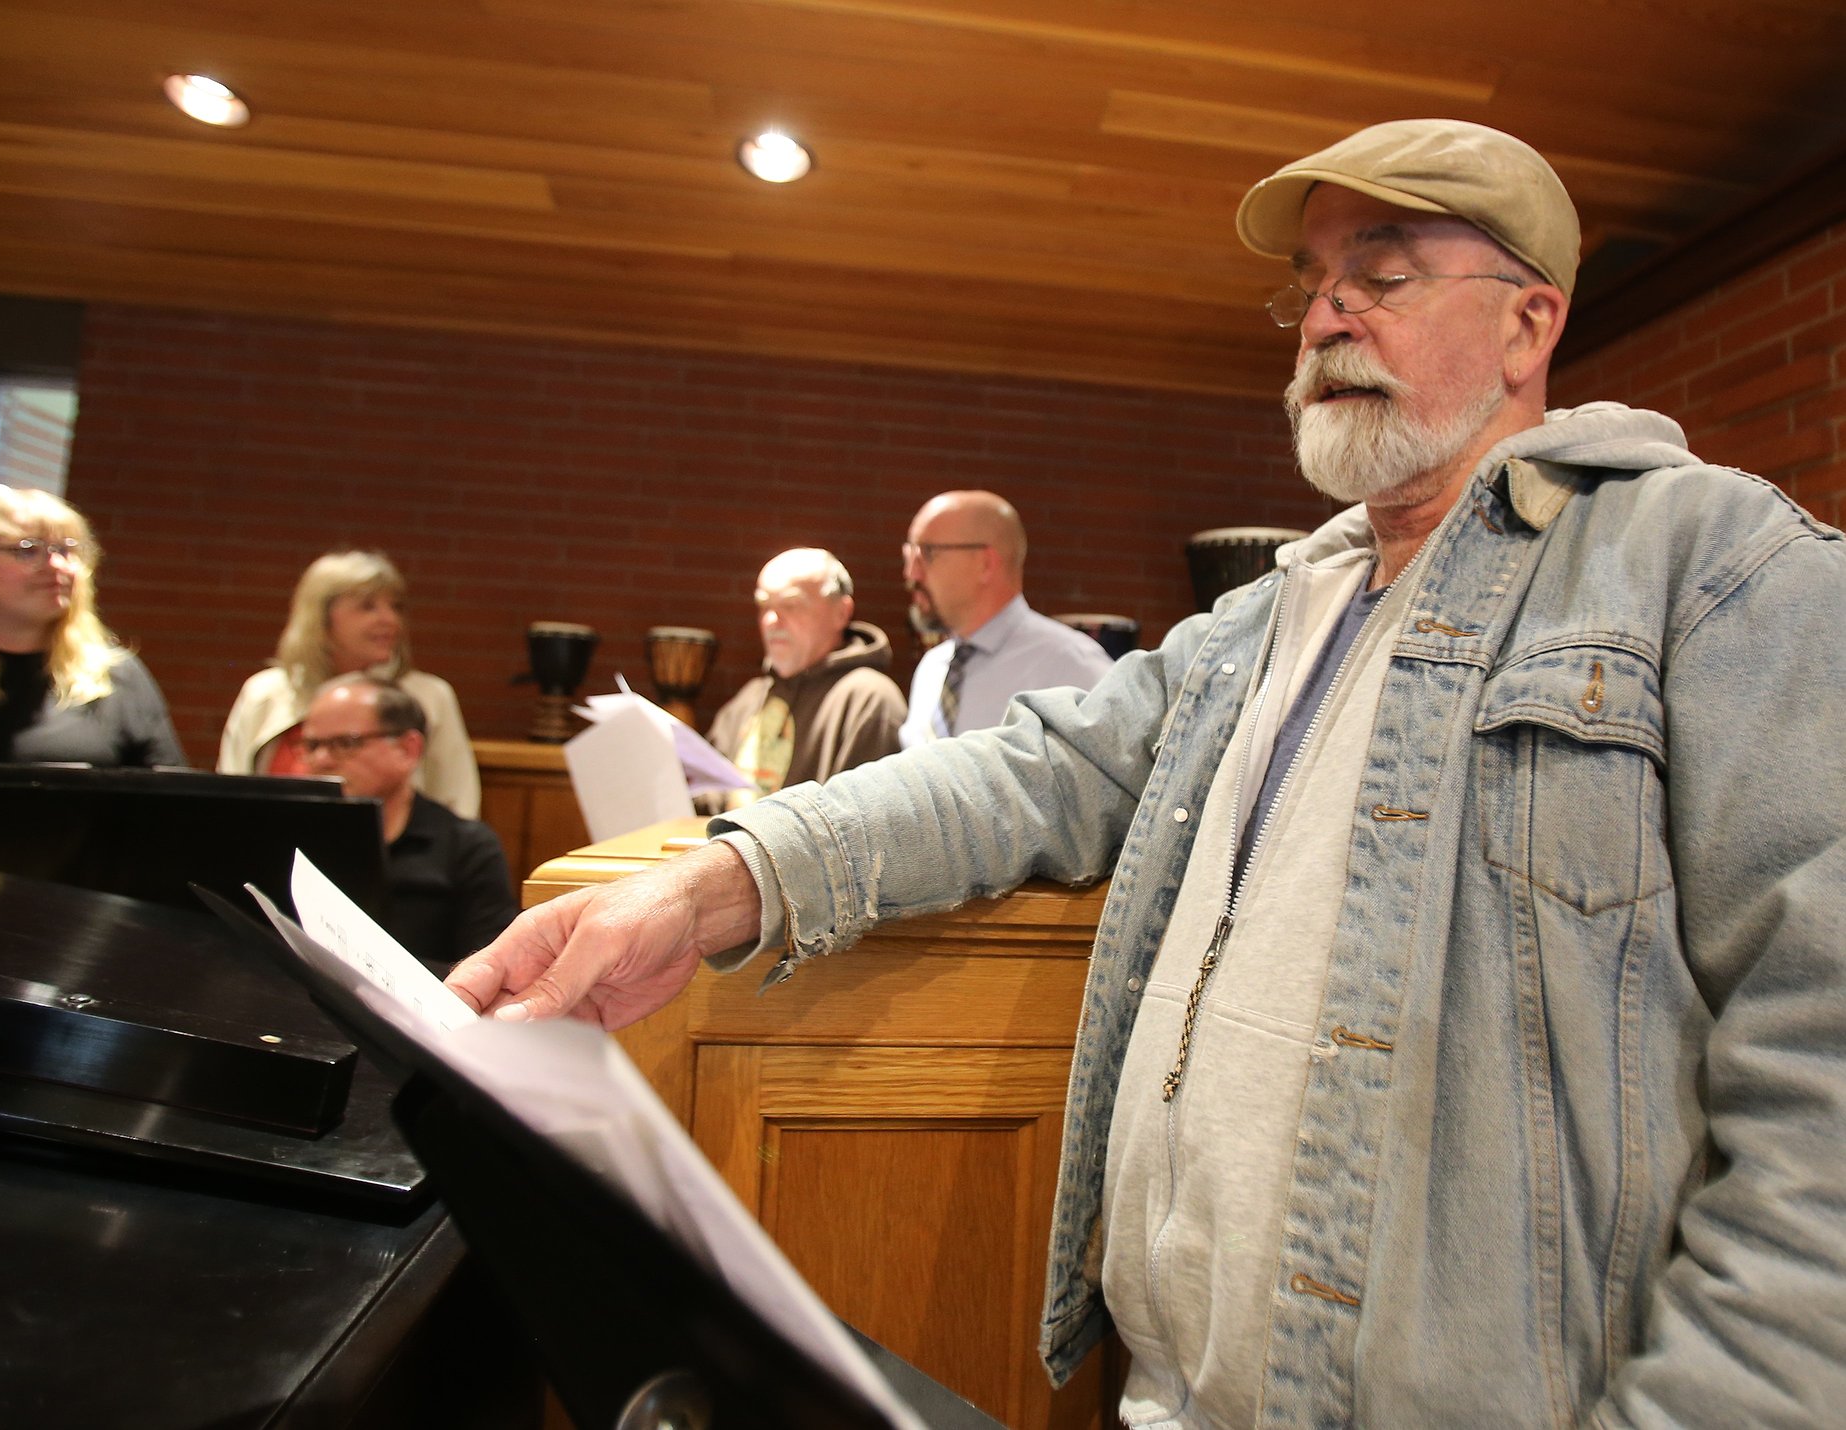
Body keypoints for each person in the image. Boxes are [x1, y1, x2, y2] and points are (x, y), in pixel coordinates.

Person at [448, 118, 1846, 1425]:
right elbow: (1025, 771)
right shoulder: (1260, 619)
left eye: (1381, 276)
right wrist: (711, 884)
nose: (1324, 318)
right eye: (1310, 287)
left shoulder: (1708, 564)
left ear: (1528, 322)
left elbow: (1822, 1074)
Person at [0, 486, 185, 766]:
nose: (56, 565)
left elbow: (167, 789)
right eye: (27, 550)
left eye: (67, 549)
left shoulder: (112, 674)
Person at [219, 550, 480, 817]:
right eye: (368, 606)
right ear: (321, 617)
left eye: (395, 607)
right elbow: (228, 796)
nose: (390, 620)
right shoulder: (266, 693)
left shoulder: (429, 697)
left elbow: (457, 802)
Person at [300, 674, 515, 969]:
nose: (322, 760)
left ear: (408, 749)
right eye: (312, 745)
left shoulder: (467, 847)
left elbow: (490, 969)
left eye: (345, 743)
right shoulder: (292, 838)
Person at [897, 490, 1112, 747]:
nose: (911, 573)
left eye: (927, 553)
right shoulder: (933, 666)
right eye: (909, 554)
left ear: (986, 564)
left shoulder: (1073, 666)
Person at [704, 548, 905, 809]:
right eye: (764, 605)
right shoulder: (751, 697)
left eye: (790, 605)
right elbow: (709, 794)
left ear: (841, 612)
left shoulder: (869, 699)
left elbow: (859, 818)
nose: (771, 620)